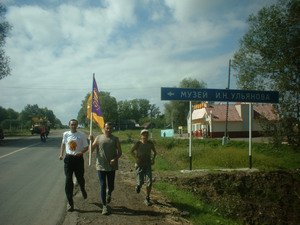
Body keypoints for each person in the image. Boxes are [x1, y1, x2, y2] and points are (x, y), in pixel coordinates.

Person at [89, 122, 122, 215]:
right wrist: (90, 141)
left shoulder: (115, 139)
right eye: (107, 128)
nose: (108, 130)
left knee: (111, 186)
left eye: (110, 128)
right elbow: (90, 150)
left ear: (112, 129)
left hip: (112, 166)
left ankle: (109, 193)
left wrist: (115, 159)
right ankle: (104, 206)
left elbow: (120, 153)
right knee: (103, 185)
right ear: (104, 128)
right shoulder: (99, 138)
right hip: (101, 166)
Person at [59, 119, 89, 212]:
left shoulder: (81, 135)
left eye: (75, 124)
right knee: (68, 180)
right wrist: (61, 154)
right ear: (69, 125)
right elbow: (63, 144)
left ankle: (83, 189)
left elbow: (86, 147)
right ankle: (70, 203)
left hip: (78, 159)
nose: (73, 126)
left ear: (77, 125)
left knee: (80, 178)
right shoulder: (66, 134)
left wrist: (81, 152)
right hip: (68, 159)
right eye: (72, 124)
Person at [131, 129, 157, 206]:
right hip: (139, 164)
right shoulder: (138, 143)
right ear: (141, 136)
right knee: (141, 181)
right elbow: (131, 151)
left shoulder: (150, 144)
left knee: (149, 182)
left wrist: (153, 159)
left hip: (147, 164)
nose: (145, 136)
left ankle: (147, 198)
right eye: (143, 135)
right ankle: (138, 185)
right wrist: (136, 158)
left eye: (146, 135)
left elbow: (155, 152)